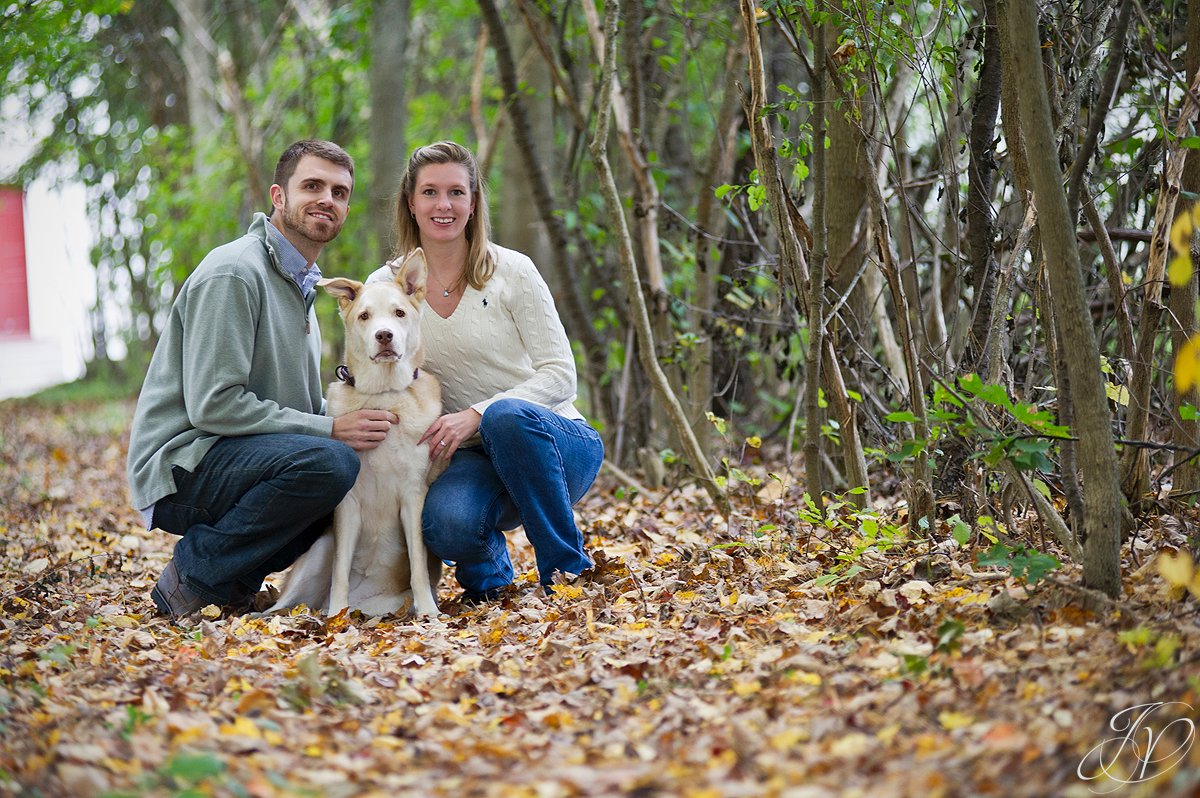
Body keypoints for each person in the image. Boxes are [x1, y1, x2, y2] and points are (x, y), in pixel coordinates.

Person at [127, 139, 398, 619]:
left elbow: (297, 405)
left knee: (347, 476)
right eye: (311, 186)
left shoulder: (305, 287)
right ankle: (195, 574)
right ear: (278, 196)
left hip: (242, 455)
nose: (326, 200)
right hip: (182, 464)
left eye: (339, 192)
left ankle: (230, 583)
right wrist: (330, 431)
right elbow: (214, 405)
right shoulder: (235, 273)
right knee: (330, 465)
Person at [366, 141, 603, 602]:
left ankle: (568, 573)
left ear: (473, 203)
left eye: (456, 192)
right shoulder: (386, 287)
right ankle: (493, 584)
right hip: (472, 458)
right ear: (411, 203)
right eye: (430, 192)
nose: (444, 205)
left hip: (556, 443)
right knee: (445, 522)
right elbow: (380, 378)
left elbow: (560, 375)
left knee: (506, 416)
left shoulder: (513, 270)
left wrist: (477, 412)